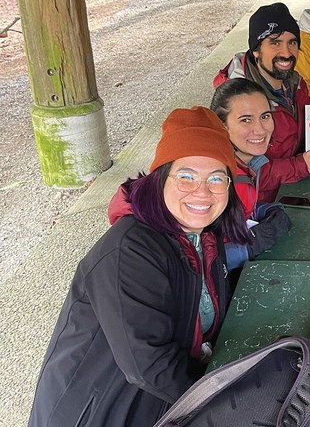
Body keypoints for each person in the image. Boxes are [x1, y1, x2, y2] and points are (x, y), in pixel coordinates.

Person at [29, 107, 248, 427]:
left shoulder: (205, 236)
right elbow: (149, 365)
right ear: (160, 179)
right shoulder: (130, 250)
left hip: (156, 400)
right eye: (186, 176)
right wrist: (228, 404)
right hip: (100, 412)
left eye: (216, 178)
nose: (202, 191)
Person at [214, 2, 310, 201]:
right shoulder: (239, 100)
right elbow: (244, 172)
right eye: (275, 43)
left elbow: (301, 125)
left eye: (292, 43)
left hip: (295, 188)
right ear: (256, 50)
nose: (287, 53)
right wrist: (299, 166)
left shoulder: (294, 81)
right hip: (260, 204)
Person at [209, 78, 292, 268]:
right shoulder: (214, 179)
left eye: (265, 116)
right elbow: (194, 260)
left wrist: (264, 211)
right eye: (246, 120)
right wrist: (249, 247)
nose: (260, 130)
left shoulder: (249, 165)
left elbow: (241, 212)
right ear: (222, 126)